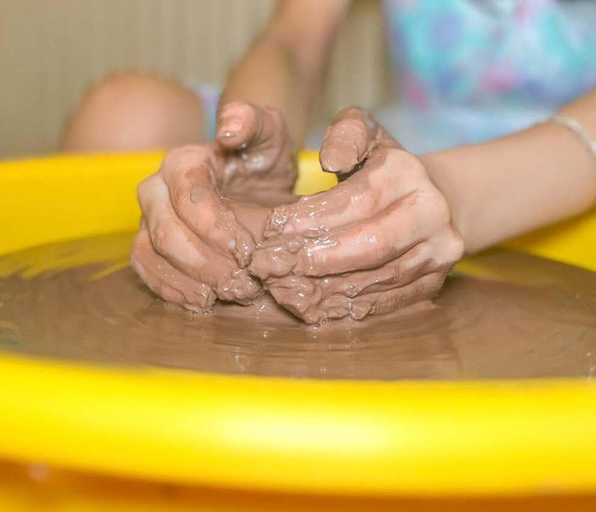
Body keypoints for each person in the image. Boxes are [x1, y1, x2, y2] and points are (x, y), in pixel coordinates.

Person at [61, 0, 596, 323]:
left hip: (568, 160)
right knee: (122, 116)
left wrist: (454, 198)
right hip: (417, 132)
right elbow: (294, 40)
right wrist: (247, 152)